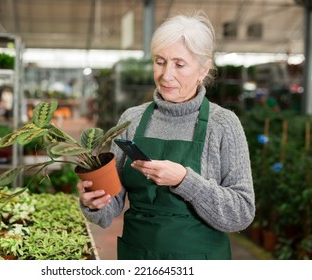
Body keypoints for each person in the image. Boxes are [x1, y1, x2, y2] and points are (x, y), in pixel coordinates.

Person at [78, 11, 255, 260]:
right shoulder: (133, 118)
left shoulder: (223, 124)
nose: (166, 74)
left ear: (203, 70)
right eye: (160, 62)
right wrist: (93, 202)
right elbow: (111, 207)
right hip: (138, 256)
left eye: (179, 64)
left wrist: (185, 180)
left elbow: (241, 214)